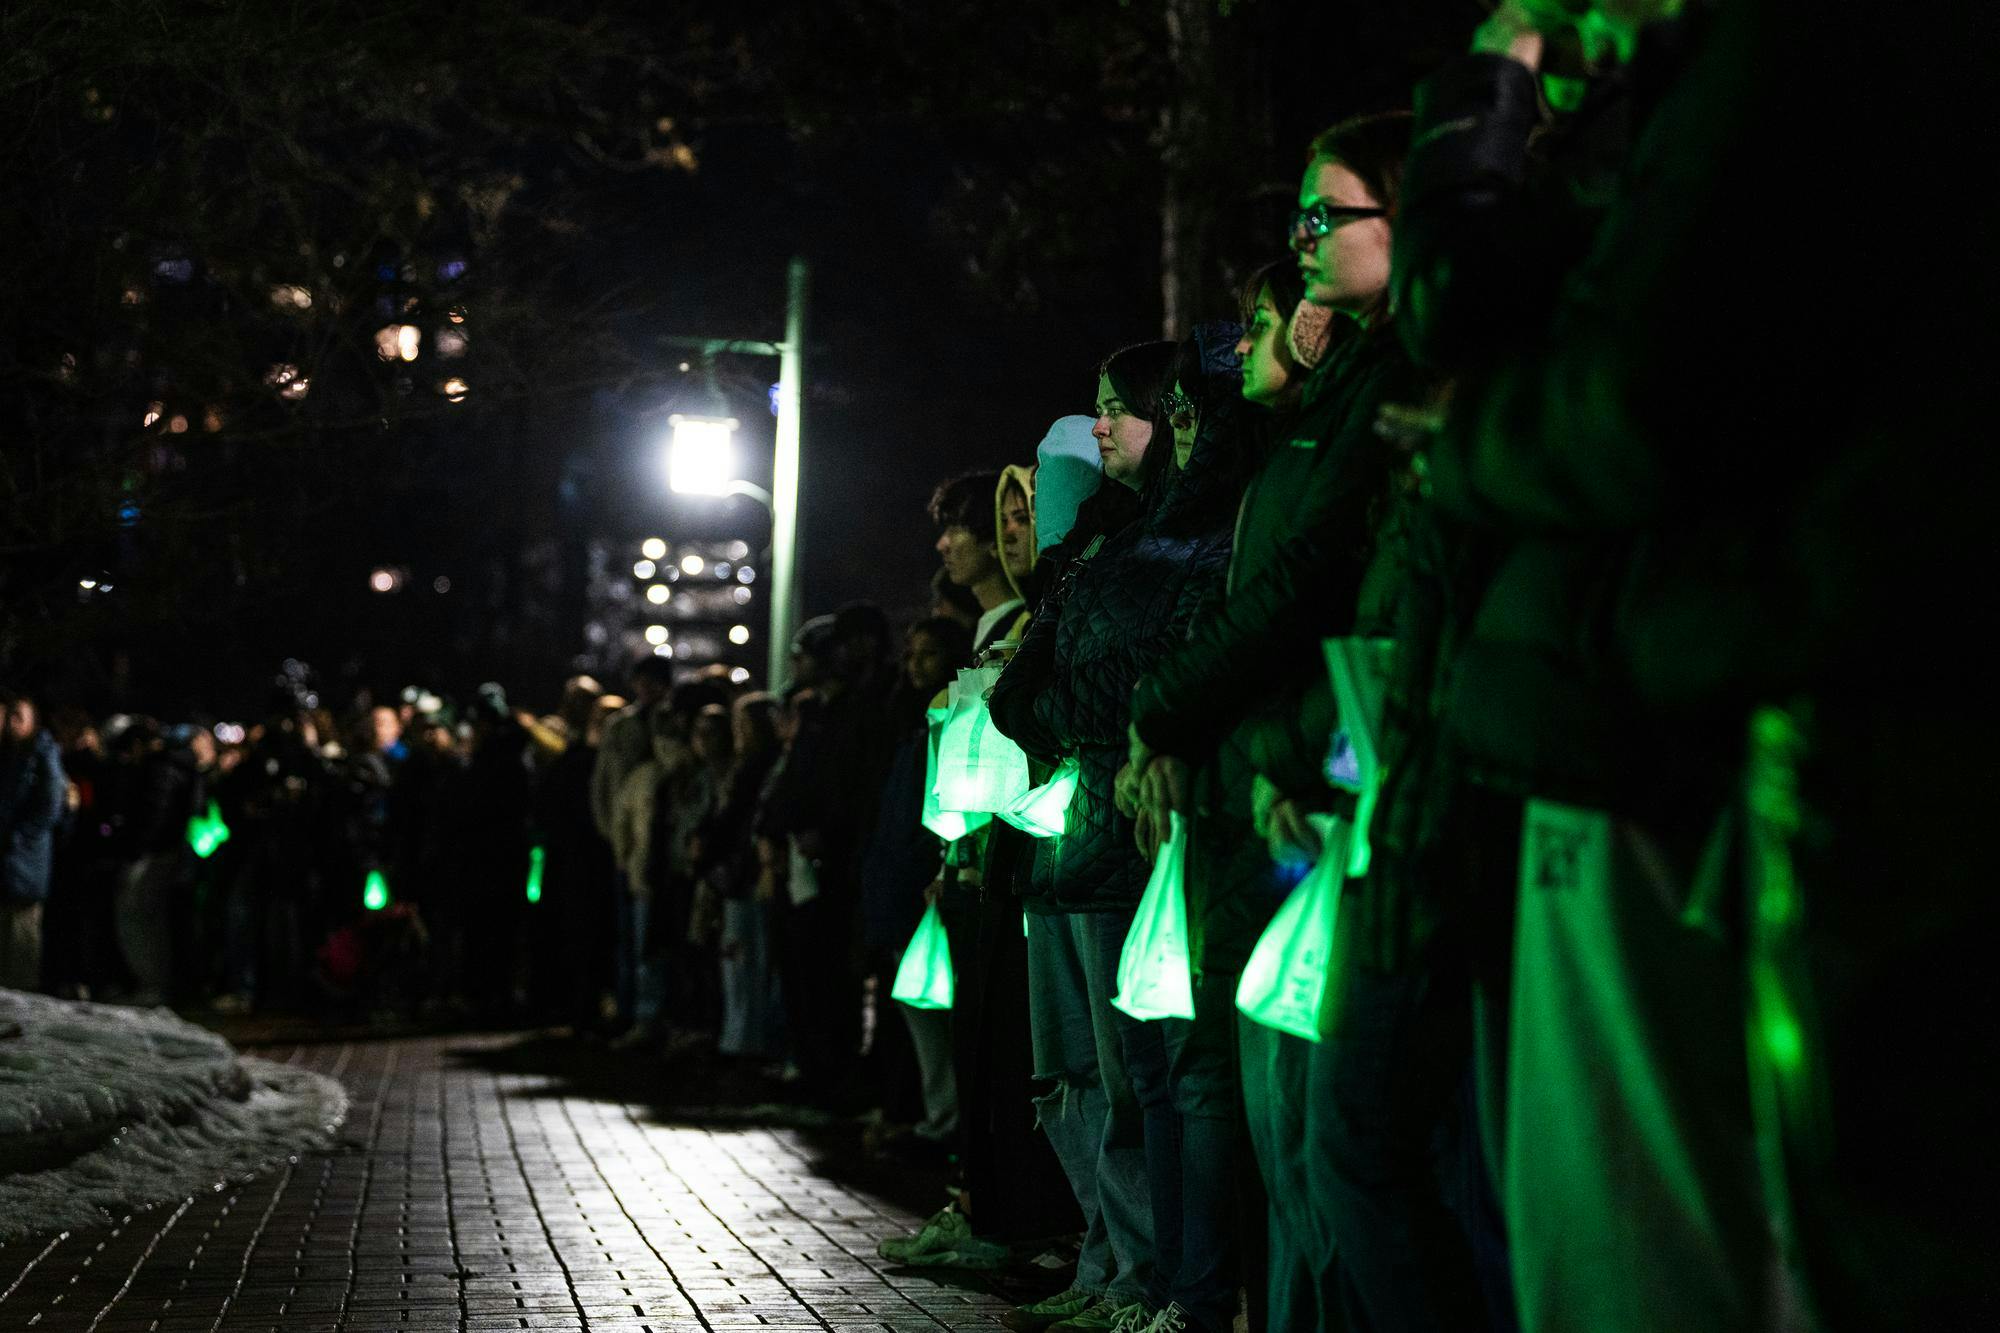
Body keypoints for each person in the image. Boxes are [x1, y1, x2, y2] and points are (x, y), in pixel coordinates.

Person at [1129, 112, 1479, 1332]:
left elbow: (1318, 592)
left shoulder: (1405, 389)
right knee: (1328, 1137)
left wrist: (1213, 727)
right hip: (1344, 782)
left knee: (1352, 1144)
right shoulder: (1348, 406)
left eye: (1328, 215)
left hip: (1372, 796)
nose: (1305, 240)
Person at [989, 337, 1217, 1333]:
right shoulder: (1100, 554)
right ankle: (1123, 1269)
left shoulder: (1163, 541)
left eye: (1114, 406)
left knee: (1149, 1080)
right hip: (1086, 835)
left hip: (1130, 839)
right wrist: (1084, 721)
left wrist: (1087, 720)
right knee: (1103, 1075)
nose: (1099, 426)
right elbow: (1016, 695)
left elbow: (1141, 680)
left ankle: (1157, 1282)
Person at [1, 689, 67, 991]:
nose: (12, 723)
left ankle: (23, 994)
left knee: (22, 935)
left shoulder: (41, 753)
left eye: (19, 716)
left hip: (24, 860)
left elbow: (50, 804)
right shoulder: (14, 755)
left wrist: (17, 839)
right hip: (12, 859)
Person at [931, 472, 1027, 655]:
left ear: (993, 537)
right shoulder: (987, 625)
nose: (941, 544)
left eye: (955, 529)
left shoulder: (1023, 629)